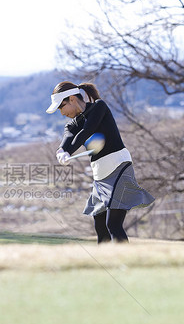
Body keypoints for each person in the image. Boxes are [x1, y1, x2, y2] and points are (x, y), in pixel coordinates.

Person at [46, 81, 154, 243]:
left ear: (72, 99)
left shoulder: (99, 107)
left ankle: (128, 262)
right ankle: (105, 261)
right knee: (100, 224)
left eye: (61, 107)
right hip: (101, 173)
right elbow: (68, 136)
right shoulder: (72, 123)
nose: (61, 113)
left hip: (119, 167)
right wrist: (61, 151)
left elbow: (87, 130)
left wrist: (70, 151)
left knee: (113, 223)